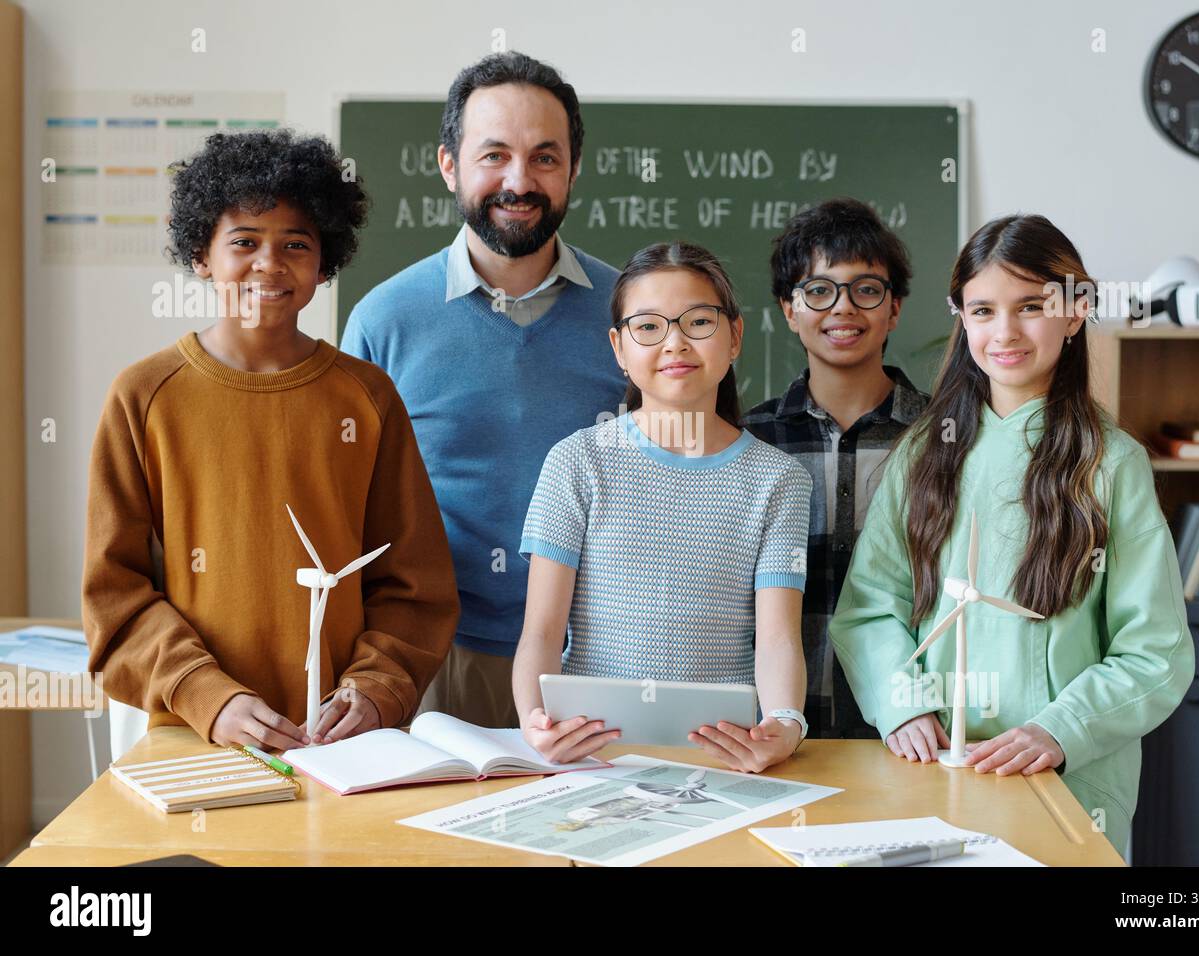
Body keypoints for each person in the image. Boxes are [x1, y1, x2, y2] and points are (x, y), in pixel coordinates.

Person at [828, 213, 1194, 854]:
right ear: (961, 317)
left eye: (1031, 306)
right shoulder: (923, 454)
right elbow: (868, 608)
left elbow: (1155, 651)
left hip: (1063, 776)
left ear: (1077, 311)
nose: (1005, 332)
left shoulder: (1112, 464)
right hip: (936, 765)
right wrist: (902, 703)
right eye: (983, 310)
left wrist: (1061, 729)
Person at [83, 129, 459, 750]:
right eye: (244, 242)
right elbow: (113, 592)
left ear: (324, 260)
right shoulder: (144, 396)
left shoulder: (366, 398)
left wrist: (375, 687)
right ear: (202, 254)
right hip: (194, 734)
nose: (269, 263)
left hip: (339, 743)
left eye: (295, 244)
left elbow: (413, 582)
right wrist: (208, 694)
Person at [342, 52, 623, 728]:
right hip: (434, 661)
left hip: (598, 661)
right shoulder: (384, 321)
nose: (519, 181)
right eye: (494, 154)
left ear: (574, 170)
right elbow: (346, 511)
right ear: (449, 165)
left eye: (545, 158)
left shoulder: (635, 317)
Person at [512, 241, 813, 773]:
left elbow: (778, 637)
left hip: (722, 758)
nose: (675, 343)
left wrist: (786, 723)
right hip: (594, 755)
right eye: (648, 327)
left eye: (698, 322)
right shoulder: (577, 462)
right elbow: (540, 631)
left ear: (735, 336)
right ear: (619, 348)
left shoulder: (778, 479)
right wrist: (536, 722)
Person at [743, 197, 928, 739]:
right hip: (775, 730)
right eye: (819, 290)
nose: (842, 308)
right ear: (788, 309)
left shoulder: (946, 438)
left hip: (915, 728)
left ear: (894, 309)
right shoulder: (751, 441)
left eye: (866, 290)